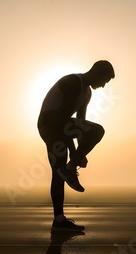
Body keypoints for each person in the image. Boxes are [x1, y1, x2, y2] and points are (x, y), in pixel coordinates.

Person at [37, 60, 115, 232]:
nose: (103, 86)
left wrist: (81, 152)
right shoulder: (72, 82)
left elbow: (79, 123)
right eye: (104, 81)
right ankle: (70, 169)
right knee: (97, 131)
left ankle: (59, 221)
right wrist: (75, 154)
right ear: (97, 73)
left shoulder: (87, 93)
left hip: (58, 127)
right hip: (50, 124)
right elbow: (63, 121)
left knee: (58, 173)